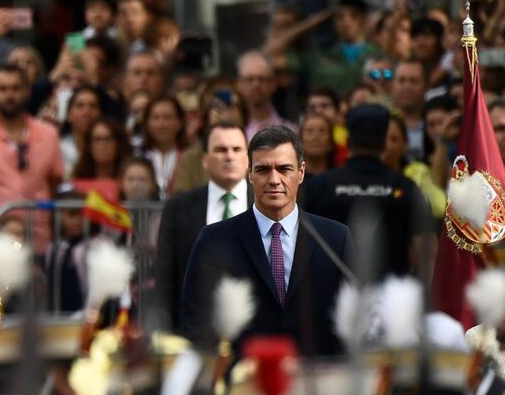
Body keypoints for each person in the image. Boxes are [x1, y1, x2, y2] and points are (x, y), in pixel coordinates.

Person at [181, 125, 352, 356]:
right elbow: (196, 320)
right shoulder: (214, 240)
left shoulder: (334, 238)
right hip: (242, 382)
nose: (274, 179)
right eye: (263, 169)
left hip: (317, 382)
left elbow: (353, 319)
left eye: (284, 169)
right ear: (249, 173)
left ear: (301, 172)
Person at [304, 105, 432, 283]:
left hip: (333, 299)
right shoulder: (406, 188)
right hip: (391, 299)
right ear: (384, 143)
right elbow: (426, 253)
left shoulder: (319, 186)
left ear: (348, 141)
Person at [154, 121, 250, 332]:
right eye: (220, 150)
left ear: (247, 158)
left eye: (237, 149)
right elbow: (165, 276)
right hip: (195, 330)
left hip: (255, 331)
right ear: (205, 160)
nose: (229, 156)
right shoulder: (178, 208)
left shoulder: (266, 204)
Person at [0, 65, 63, 250]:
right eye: (3, 89)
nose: (10, 95)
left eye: (16, 88)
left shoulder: (50, 134)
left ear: (27, 91)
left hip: (39, 240)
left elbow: (54, 183)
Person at [70, 118, 132, 201]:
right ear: (89, 146)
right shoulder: (75, 182)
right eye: (97, 139)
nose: (102, 145)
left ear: (118, 144)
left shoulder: (130, 180)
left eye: (108, 139)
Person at [140, 94, 188, 198]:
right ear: (147, 124)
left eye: (167, 118)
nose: (161, 124)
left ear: (179, 123)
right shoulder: (139, 157)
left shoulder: (189, 158)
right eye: (155, 118)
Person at [237, 51, 293, 139]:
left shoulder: (290, 132)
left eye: (261, 79)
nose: (256, 85)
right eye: (249, 79)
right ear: (239, 84)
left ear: (273, 84)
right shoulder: (230, 132)